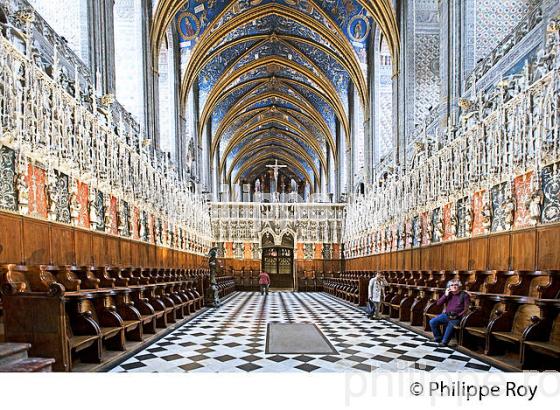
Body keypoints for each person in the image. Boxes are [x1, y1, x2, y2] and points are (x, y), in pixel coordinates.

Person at [429, 279, 470, 346]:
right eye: (452, 285)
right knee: (432, 322)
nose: (454, 286)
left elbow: (466, 308)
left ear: (459, 286)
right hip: (447, 315)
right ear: (449, 287)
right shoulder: (448, 294)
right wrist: (445, 295)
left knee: (451, 325)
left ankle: (444, 342)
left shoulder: (464, 295)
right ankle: (438, 337)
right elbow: (438, 303)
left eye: (456, 285)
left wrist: (459, 315)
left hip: (457, 317)